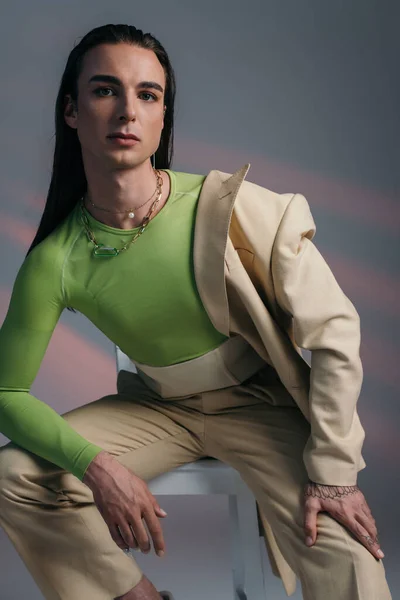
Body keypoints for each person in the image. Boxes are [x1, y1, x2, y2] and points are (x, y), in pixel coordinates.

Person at [0, 22, 392, 600]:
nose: (128, 111)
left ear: (163, 117)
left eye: (148, 95)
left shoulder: (231, 209)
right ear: (72, 112)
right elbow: (7, 395)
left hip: (261, 404)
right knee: (14, 477)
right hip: (157, 409)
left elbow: (335, 329)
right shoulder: (56, 258)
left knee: (346, 554)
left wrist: (334, 475)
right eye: (105, 90)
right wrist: (97, 466)